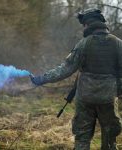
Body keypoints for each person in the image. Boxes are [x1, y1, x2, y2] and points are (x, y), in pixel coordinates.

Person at [30, 8, 122, 150]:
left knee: (82, 138)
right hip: (108, 99)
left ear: (87, 25)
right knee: (110, 140)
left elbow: (65, 69)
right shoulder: (118, 44)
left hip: (85, 98)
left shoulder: (83, 43)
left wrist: (41, 79)